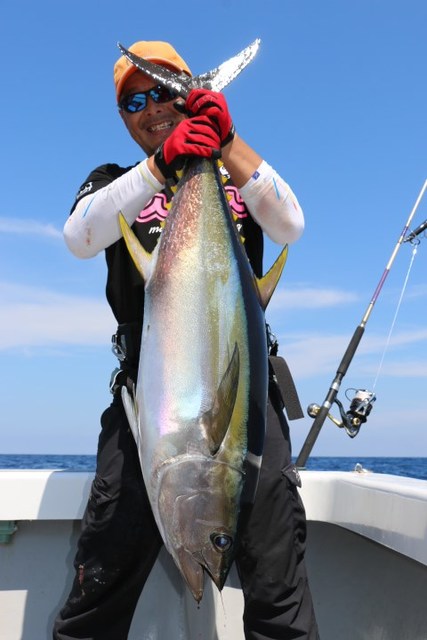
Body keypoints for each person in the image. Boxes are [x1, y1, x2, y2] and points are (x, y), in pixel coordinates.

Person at [53, 40, 319, 640]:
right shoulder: (113, 183)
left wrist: (223, 143)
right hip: (148, 399)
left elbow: (291, 224)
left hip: (245, 397)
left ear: (191, 96)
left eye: (166, 92)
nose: (152, 108)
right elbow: (79, 235)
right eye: (134, 102)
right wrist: (158, 166)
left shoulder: (233, 174)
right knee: (100, 585)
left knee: (278, 586)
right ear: (124, 120)